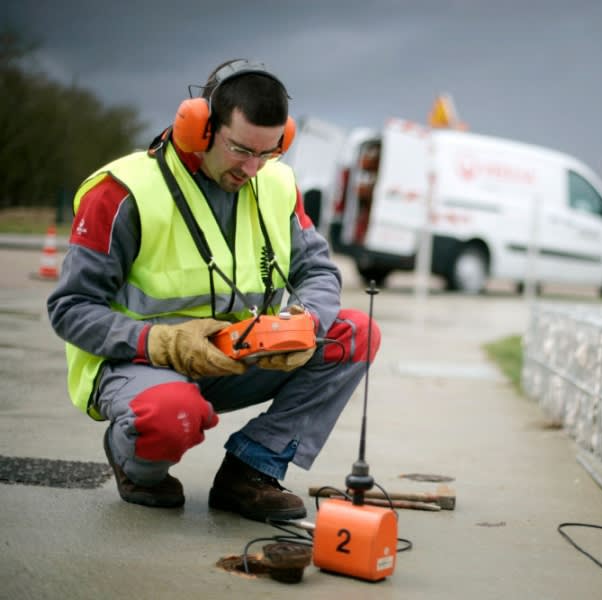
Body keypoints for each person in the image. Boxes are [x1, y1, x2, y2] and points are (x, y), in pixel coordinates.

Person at [47, 59, 379, 523]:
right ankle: (137, 465)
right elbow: (70, 308)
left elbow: (318, 272)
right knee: (169, 415)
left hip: (234, 356)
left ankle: (251, 471)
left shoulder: (276, 183)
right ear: (199, 127)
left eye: (268, 152)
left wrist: (305, 322)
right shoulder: (122, 192)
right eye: (240, 149)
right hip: (142, 363)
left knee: (354, 333)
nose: (252, 168)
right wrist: (162, 342)